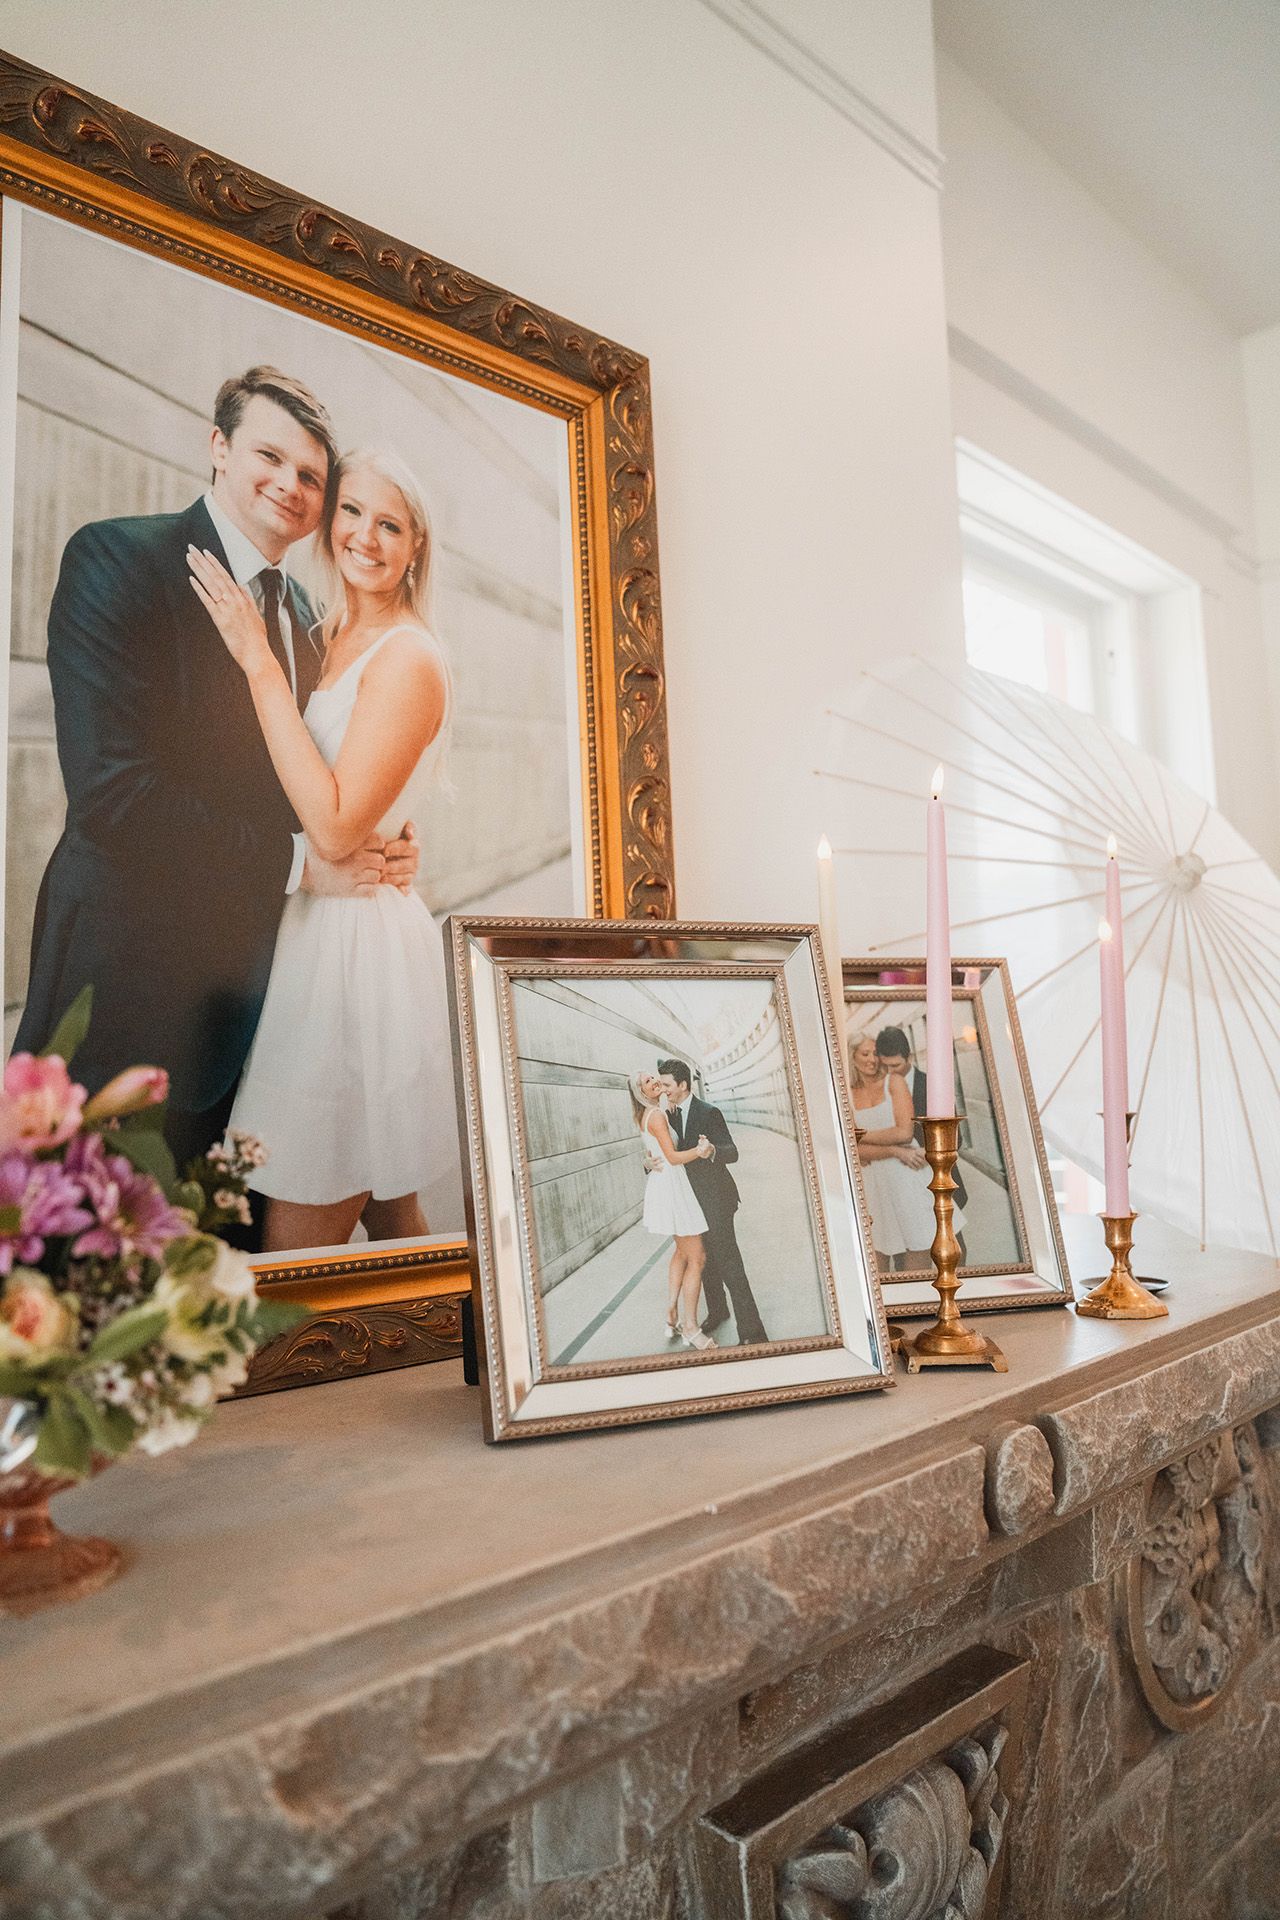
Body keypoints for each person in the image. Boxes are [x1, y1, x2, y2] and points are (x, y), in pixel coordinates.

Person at [13, 367, 420, 1175]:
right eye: (270, 457)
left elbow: (311, 781)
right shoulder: (118, 559)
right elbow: (113, 796)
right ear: (219, 448)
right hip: (129, 996)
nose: (290, 486)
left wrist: (378, 846)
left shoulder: (307, 621)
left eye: (311, 476)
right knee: (96, 1268)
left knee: (223, 1279)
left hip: (260, 1010)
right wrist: (305, 866)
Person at [189, 447, 461, 1251]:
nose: (364, 537)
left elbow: (339, 827)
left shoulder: (408, 656)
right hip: (318, 927)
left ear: (417, 547)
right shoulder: (330, 627)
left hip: (351, 960)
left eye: (390, 526)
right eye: (352, 512)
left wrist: (256, 664)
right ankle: (469, 1340)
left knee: (293, 1248)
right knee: (391, 1216)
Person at [656, 1058, 769, 1345]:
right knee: (702, 1261)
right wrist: (649, 1163)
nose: (663, 1090)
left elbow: (733, 1151)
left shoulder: (709, 1112)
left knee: (730, 1265)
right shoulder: (665, 1115)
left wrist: (711, 1151)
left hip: (717, 1201)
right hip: (688, 1204)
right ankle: (718, 1311)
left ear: (682, 1084)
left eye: (667, 1085)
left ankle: (753, 1333)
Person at [849, 1030, 964, 1269]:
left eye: (874, 1054)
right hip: (874, 1184)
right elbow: (852, 1150)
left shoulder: (902, 1082)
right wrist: (894, 1150)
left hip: (916, 1173)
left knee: (940, 1251)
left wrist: (859, 1138)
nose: (873, 1060)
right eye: (866, 1053)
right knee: (877, 1256)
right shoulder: (847, 1092)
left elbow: (904, 1132)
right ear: (853, 1056)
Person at [628, 1072, 715, 1351]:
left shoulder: (648, 1114)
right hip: (673, 1186)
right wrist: (700, 1150)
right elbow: (674, 1158)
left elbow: (656, 1154)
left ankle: (670, 1311)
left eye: (654, 1078)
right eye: (647, 1082)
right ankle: (690, 1326)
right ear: (641, 1092)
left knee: (680, 1252)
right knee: (697, 1257)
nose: (654, 1082)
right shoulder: (656, 1116)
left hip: (665, 1184)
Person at [875, 1023, 969, 1215]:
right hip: (899, 1189)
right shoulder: (876, 1089)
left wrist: (925, 1154)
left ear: (908, 1057)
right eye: (885, 1066)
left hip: (937, 1181)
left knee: (952, 1242)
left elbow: (955, 1137)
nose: (890, 1072)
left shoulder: (933, 1085)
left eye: (895, 1066)